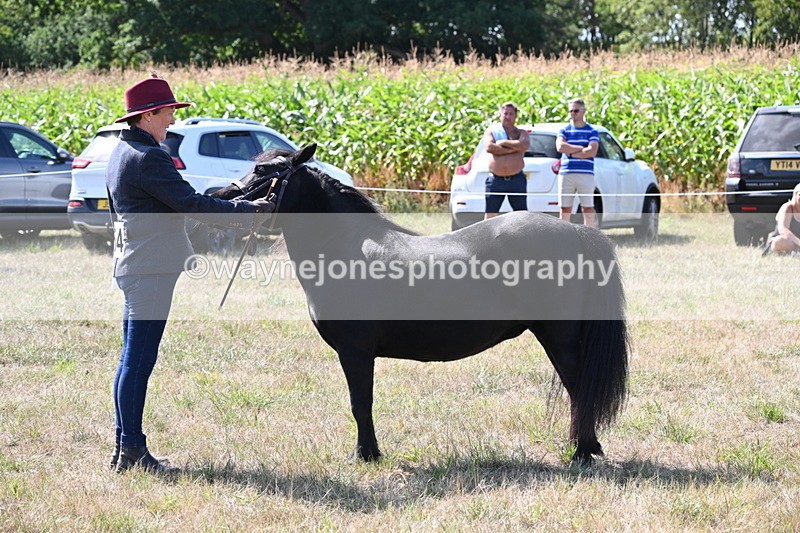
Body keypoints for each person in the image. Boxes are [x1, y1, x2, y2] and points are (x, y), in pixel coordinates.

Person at [106, 74, 275, 473]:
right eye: (168, 113)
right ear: (147, 115)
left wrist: (237, 197)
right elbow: (191, 205)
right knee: (138, 361)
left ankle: (125, 447)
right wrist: (251, 213)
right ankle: (131, 449)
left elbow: (182, 201)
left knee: (131, 360)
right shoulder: (149, 157)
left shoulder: (124, 150)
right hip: (149, 269)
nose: (171, 122)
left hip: (135, 264)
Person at [556, 99, 600, 229]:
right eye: (571, 111)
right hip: (566, 173)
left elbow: (592, 151)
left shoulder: (592, 130)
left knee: (587, 208)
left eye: (576, 110)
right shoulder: (564, 130)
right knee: (565, 208)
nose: (573, 113)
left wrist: (571, 152)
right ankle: (563, 236)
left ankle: (591, 236)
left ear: (583, 111)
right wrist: (582, 148)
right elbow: (560, 147)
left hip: (586, 174)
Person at [483, 102, 530, 220]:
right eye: (505, 113)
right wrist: (514, 149)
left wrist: (503, 143)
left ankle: (524, 238)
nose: (508, 117)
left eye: (511, 114)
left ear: (515, 116)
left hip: (516, 180)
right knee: (490, 216)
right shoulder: (493, 132)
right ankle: (486, 238)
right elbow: (490, 147)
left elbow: (524, 145)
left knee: (522, 216)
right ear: (500, 114)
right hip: (496, 180)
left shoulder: (520, 133)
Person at [768, 182, 800, 254]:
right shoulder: (787, 207)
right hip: (787, 241)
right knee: (779, 241)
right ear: (795, 195)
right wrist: (798, 242)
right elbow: (783, 229)